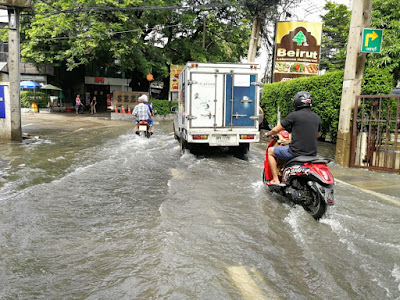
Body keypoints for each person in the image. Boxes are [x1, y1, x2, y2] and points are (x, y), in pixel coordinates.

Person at [265, 91, 321, 185]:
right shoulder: (317, 117)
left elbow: (276, 130)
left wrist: (268, 133)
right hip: (312, 154)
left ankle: (275, 179)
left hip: (295, 152)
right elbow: (317, 135)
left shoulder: (294, 115)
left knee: (270, 151)